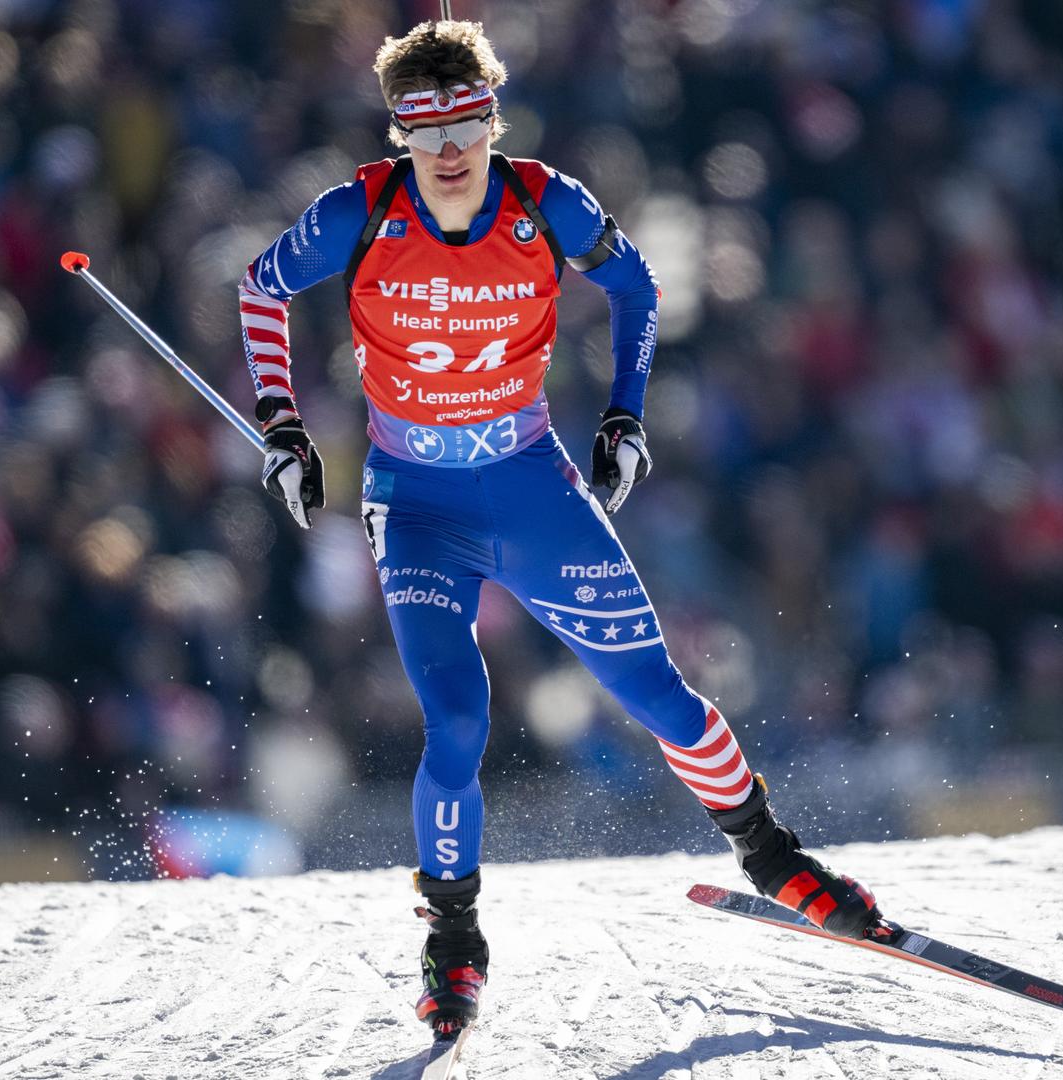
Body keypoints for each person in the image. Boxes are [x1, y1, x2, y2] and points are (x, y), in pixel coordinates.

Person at [237, 20, 882, 1039]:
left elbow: (634, 286)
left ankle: (774, 858)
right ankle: (453, 942)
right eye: (424, 124)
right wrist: (282, 425)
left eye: (467, 120)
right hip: (417, 506)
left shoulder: (546, 202)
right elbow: (262, 286)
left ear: (494, 119)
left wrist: (624, 417)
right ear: (399, 134)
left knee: (655, 692)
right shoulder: (357, 212)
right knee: (456, 718)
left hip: (530, 488)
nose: (449, 148)